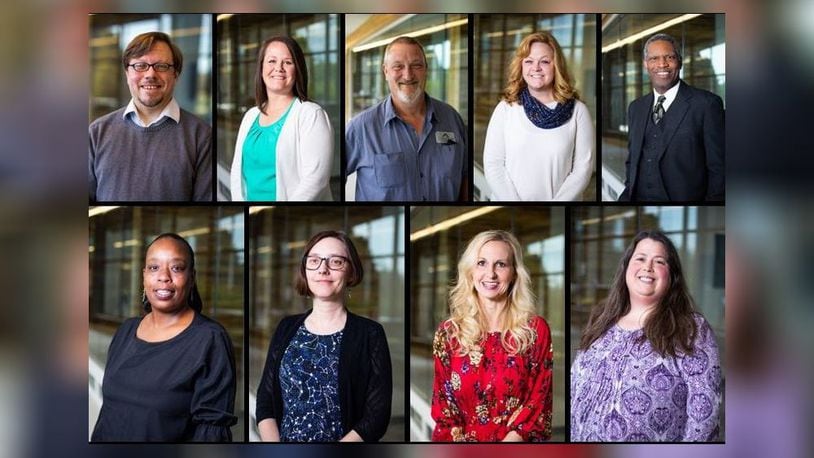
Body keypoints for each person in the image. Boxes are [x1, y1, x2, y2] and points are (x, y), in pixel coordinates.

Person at [571, 230, 722, 442]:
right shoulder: (601, 320)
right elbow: (575, 391)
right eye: (640, 258)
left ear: (672, 276)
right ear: (626, 268)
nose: (647, 267)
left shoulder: (690, 329)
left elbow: (704, 414)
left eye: (659, 261)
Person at [91, 233, 237, 442]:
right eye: (154, 267)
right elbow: (109, 415)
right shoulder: (126, 330)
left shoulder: (210, 339)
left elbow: (210, 435)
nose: (163, 276)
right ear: (144, 276)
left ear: (192, 277)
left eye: (176, 268)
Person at [255, 231, 392, 442]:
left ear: (351, 271)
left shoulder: (370, 334)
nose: (323, 269)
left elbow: (377, 417)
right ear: (305, 269)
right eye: (315, 260)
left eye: (336, 261)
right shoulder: (286, 327)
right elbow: (266, 401)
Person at [431, 230, 553, 442]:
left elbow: (538, 406)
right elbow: (445, 413)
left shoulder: (535, 330)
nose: (491, 274)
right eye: (481, 263)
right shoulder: (449, 333)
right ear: (470, 271)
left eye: (501, 264)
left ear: (514, 273)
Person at [89, 32, 212, 202]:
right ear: (127, 73)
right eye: (140, 66)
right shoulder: (97, 132)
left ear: (175, 74)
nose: (150, 74)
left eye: (161, 66)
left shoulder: (201, 136)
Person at [345, 36, 467, 201]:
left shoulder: (452, 119)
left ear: (426, 69)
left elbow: (464, 177)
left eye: (416, 65)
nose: (408, 75)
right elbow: (331, 180)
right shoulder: (361, 128)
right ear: (385, 71)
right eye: (398, 67)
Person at [484, 32, 593, 201]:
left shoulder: (578, 111)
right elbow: (493, 164)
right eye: (528, 61)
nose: (536, 68)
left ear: (556, 66)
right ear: (521, 66)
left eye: (544, 61)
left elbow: (583, 169)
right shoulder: (506, 108)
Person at [619, 33, 724, 202]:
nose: (662, 64)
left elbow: (719, 168)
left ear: (680, 61)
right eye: (654, 58)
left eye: (669, 57)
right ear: (646, 64)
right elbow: (632, 160)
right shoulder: (636, 108)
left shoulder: (707, 105)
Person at [230, 36, 333, 201]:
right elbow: (236, 171)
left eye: (288, 62)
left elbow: (316, 180)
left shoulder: (311, 114)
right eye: (271, 61)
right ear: (261, 67)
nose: (279, 68)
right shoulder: (250, 116)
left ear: (297, 69)